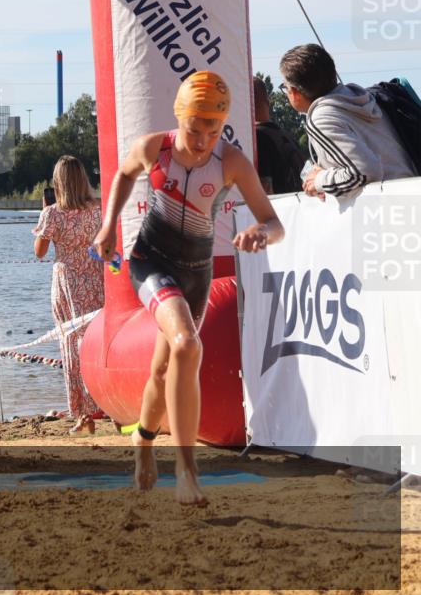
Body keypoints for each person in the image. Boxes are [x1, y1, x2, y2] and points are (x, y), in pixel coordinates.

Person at [92, 71, 284, 505]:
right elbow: (122, 175)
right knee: (187, 344)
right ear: (180, 119)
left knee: (165, 370)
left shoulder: (231, 161)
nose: (202, 142)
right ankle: (186, 470)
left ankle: (142, 441)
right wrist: (108, 229)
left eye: (213, 131)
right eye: (195, 130)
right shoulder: (153, 149)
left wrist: (260, 233)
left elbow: (275, 223)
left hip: (195, 273)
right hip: (151, 261)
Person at [279, 44, 414, 199]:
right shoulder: (361, 98)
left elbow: (365, 171)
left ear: (295, 92)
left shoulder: (322, 118)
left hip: (387, 208)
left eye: (285, 87)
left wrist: (318, 181)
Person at [32, 155, 105, 435]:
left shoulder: (52, 213)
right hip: (96, 277)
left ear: (58, 182)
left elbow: (39, 252)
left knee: (72, 344)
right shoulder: (98, 208)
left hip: (68, 282)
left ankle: (83, 413)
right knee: (96, 341)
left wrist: (44, 215)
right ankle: (106, 401)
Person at [253, 77, 304, 194]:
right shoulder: (287, 137)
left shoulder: (257, 138)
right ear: (268, 100)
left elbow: (265, 189)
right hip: (297, 207)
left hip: (277, 210)